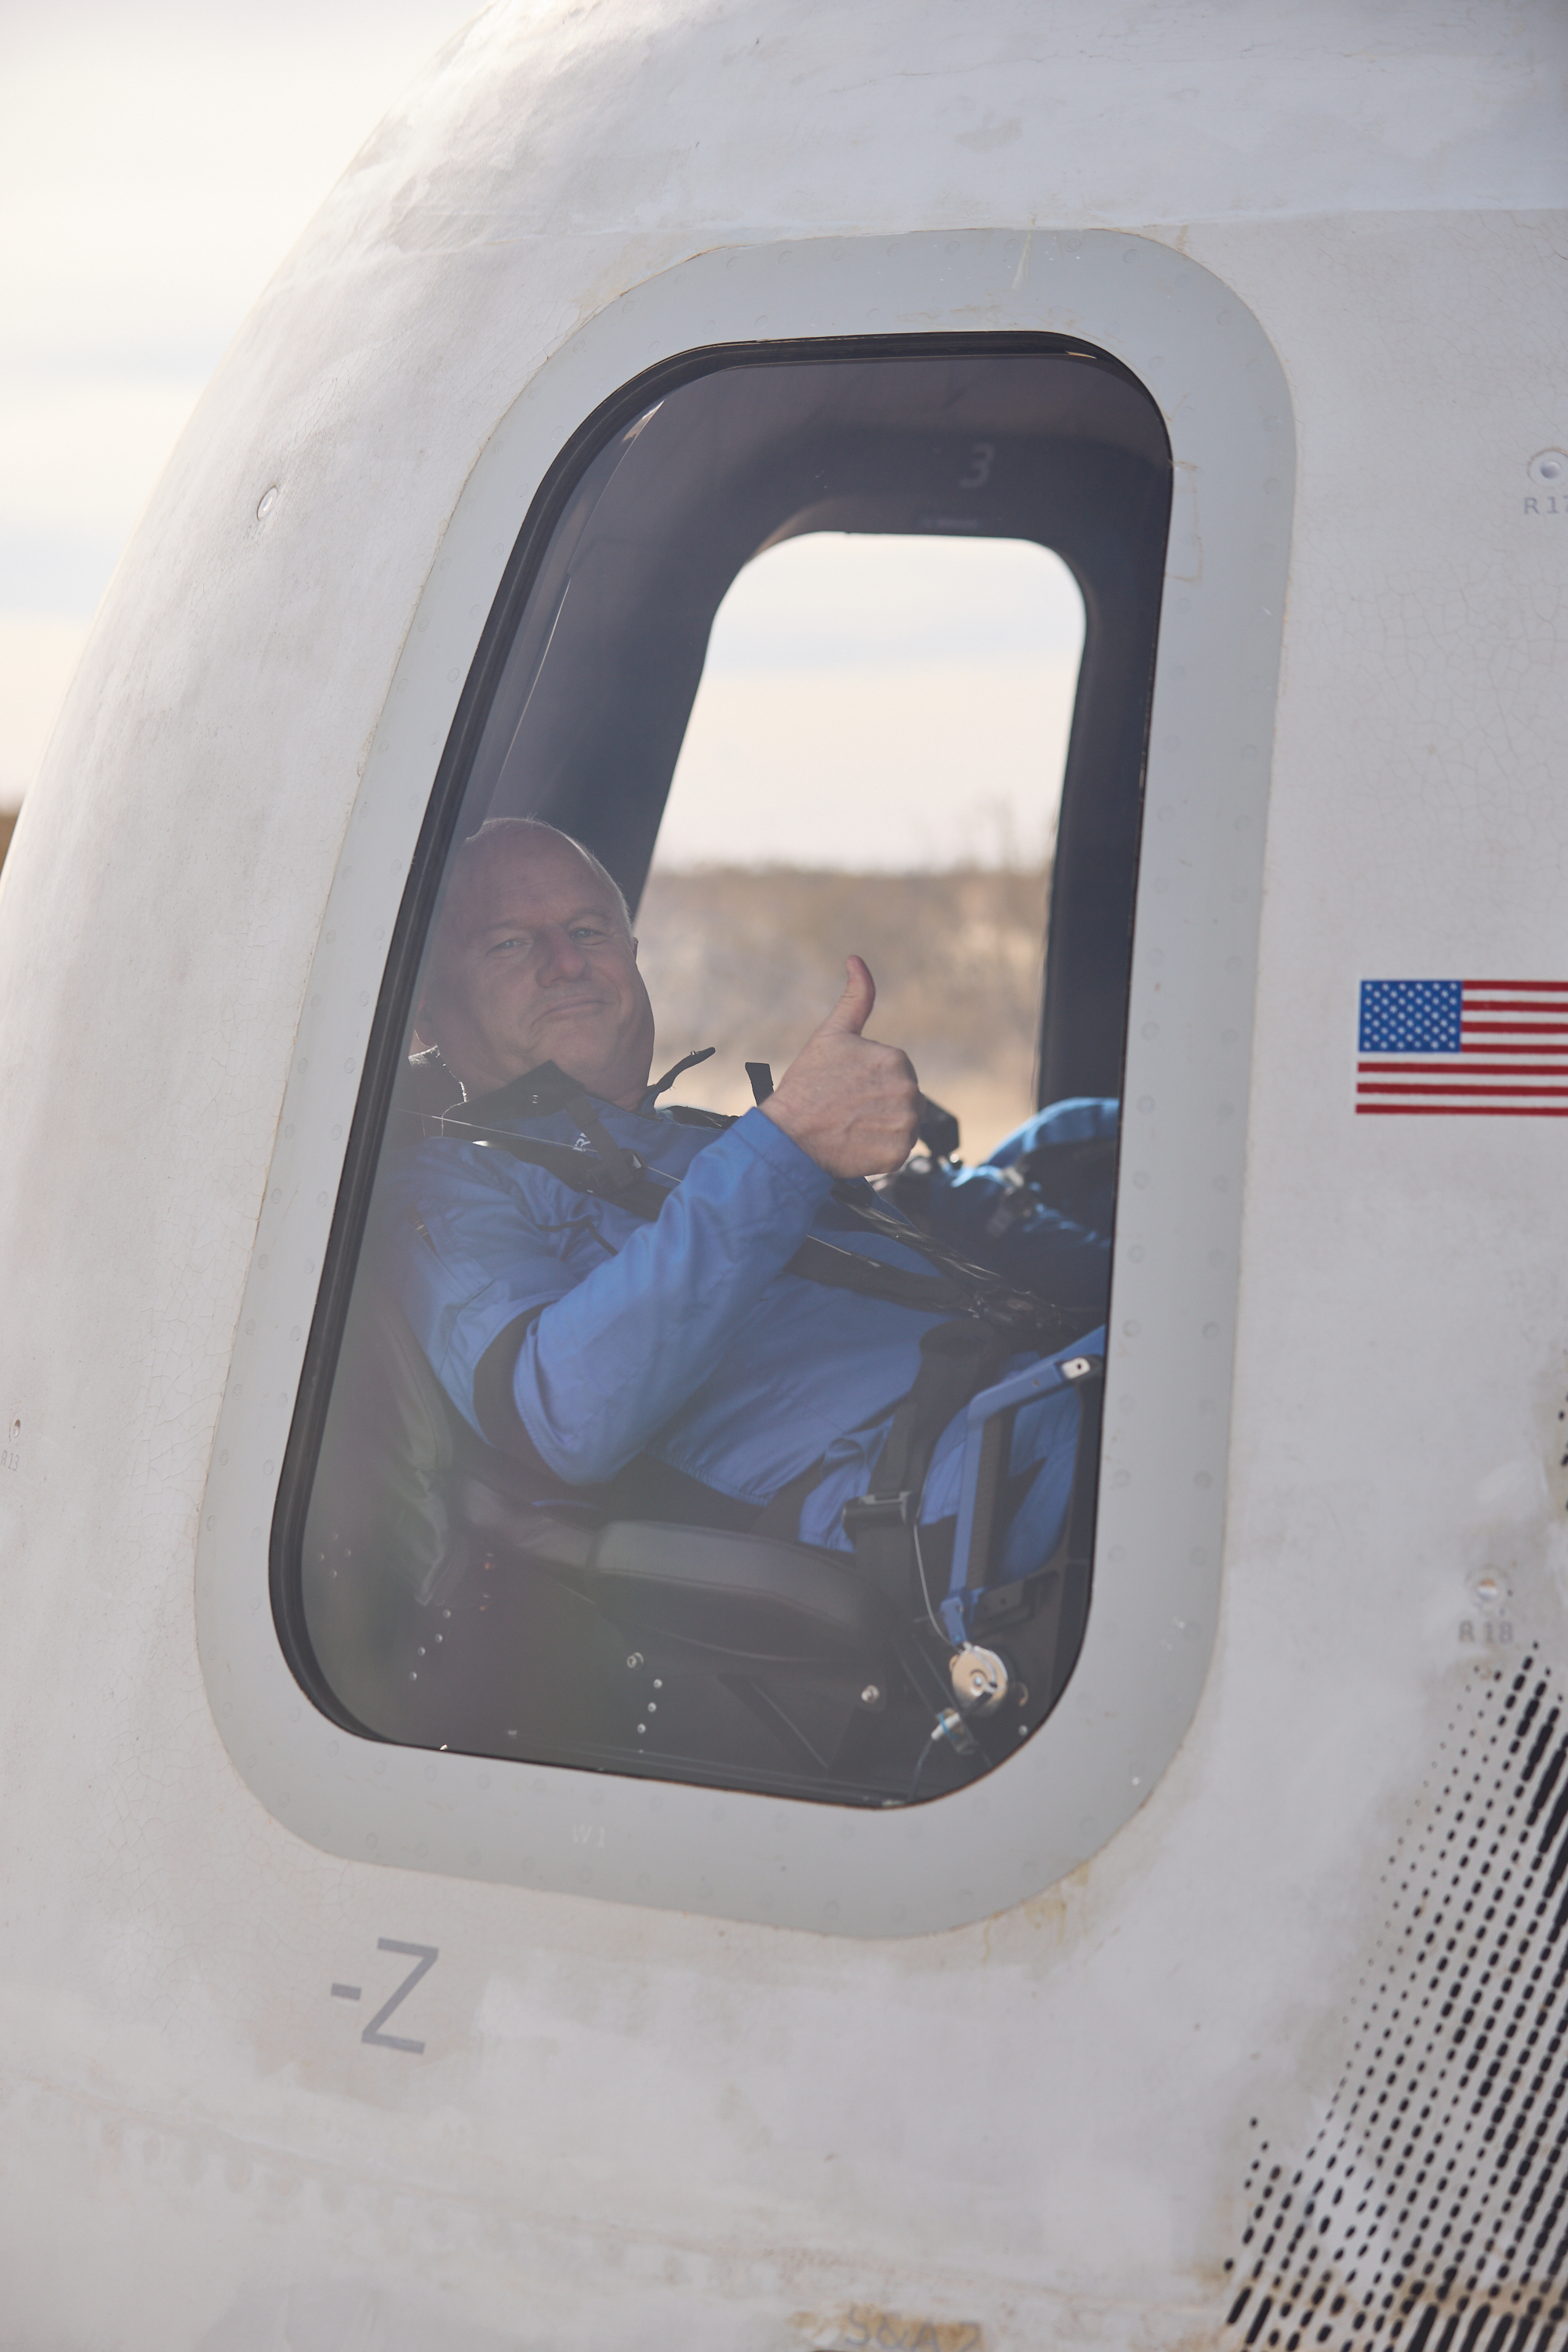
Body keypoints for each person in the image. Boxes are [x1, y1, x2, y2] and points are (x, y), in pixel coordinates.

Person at [376, 818, 1105, 1606]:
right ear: (426, 1011)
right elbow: (562, 1416)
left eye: (588, 931)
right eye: (510, 944)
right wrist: (784, 1145)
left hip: (1035, 1397)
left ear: (631, 956)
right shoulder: (447, 1186)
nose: (566, 962)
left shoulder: (694, 1137)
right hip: (954, 1491)